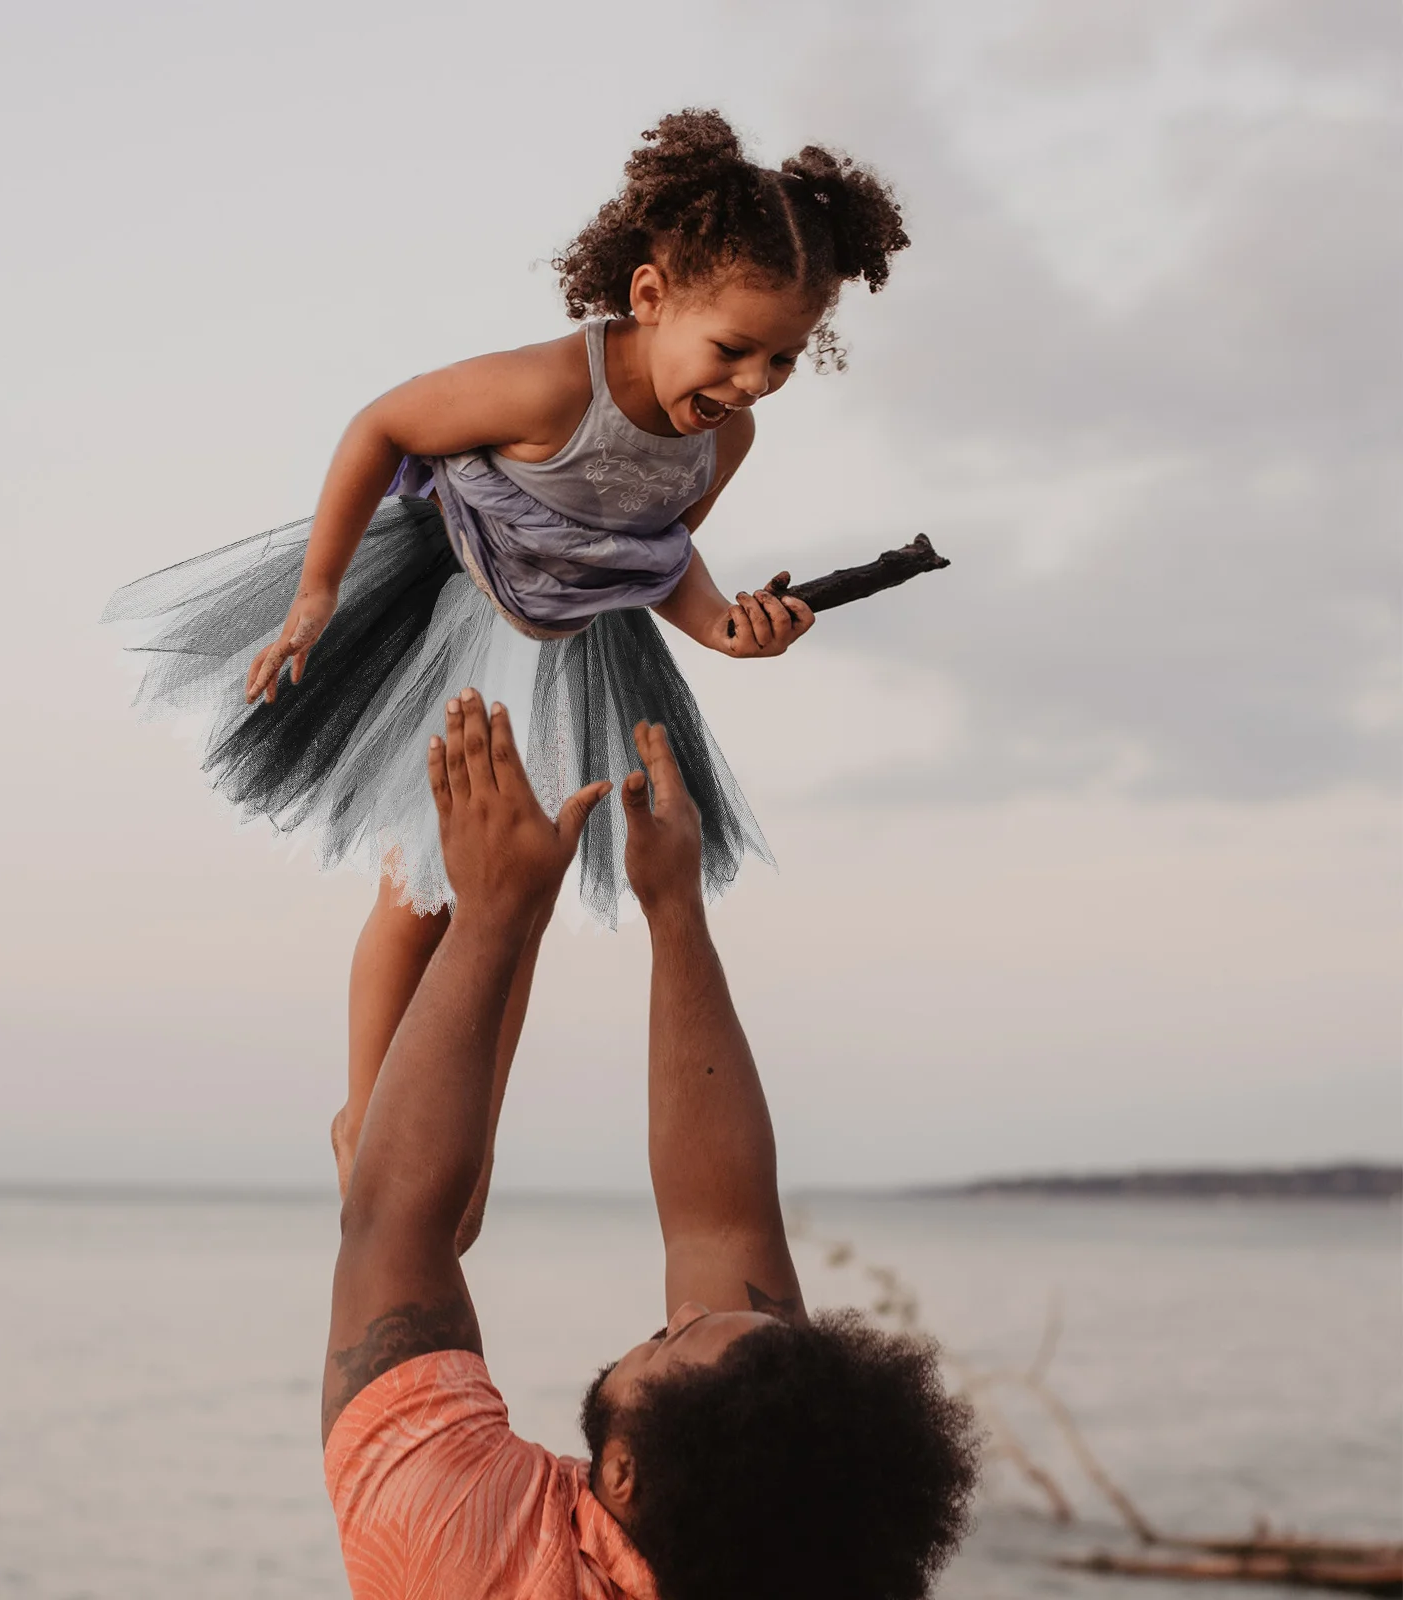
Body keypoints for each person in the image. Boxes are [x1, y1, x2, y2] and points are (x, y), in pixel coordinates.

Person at [102, 108, 911, 1251]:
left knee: (515, 903)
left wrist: (737, 632)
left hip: (573, 656)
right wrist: (320, 589)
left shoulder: (719, 444)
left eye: (783, 358)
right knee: (422, 883)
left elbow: (661, 567)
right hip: (450, 622)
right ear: (648, 297)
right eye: (732, 348)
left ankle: (463, 1137)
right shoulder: (547, 388)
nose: (754, 381)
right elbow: (381, 423)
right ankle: (367, 1115)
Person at [323, 688, 978, 1599]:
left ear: (625, 1475)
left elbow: (392, 1219)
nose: (685, 1312)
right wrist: (675, 910)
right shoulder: (771, 1511)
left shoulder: (466, 1561)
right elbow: (721, 1226)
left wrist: (495, 913)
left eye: (675, 1341)